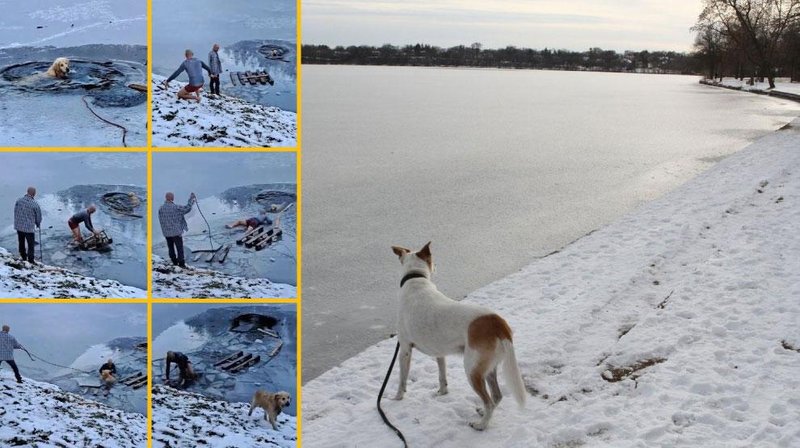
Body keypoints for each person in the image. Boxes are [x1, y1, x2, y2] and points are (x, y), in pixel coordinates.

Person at [158, 192, 196, 268]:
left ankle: (174, 262)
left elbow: (161, 220)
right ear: (172, 198)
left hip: (167, 233)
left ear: (166, 198)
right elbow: (187, 208)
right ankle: (181, 264)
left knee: (170, 247)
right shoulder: (176, 207)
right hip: (176, 232)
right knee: (179, 248)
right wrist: (191, 199)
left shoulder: (161, 208)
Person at [13, 186, 42, 263]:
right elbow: (38, 216)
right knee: (31, 245)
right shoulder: (34, 204)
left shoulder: (19, 200)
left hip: (19, 226)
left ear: (27, 192)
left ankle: (23, 256)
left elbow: (15, 211)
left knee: (21, 242)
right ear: (34, 194)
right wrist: (38, 224)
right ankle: (31, 260)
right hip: (29, 229)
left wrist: (17, 222)